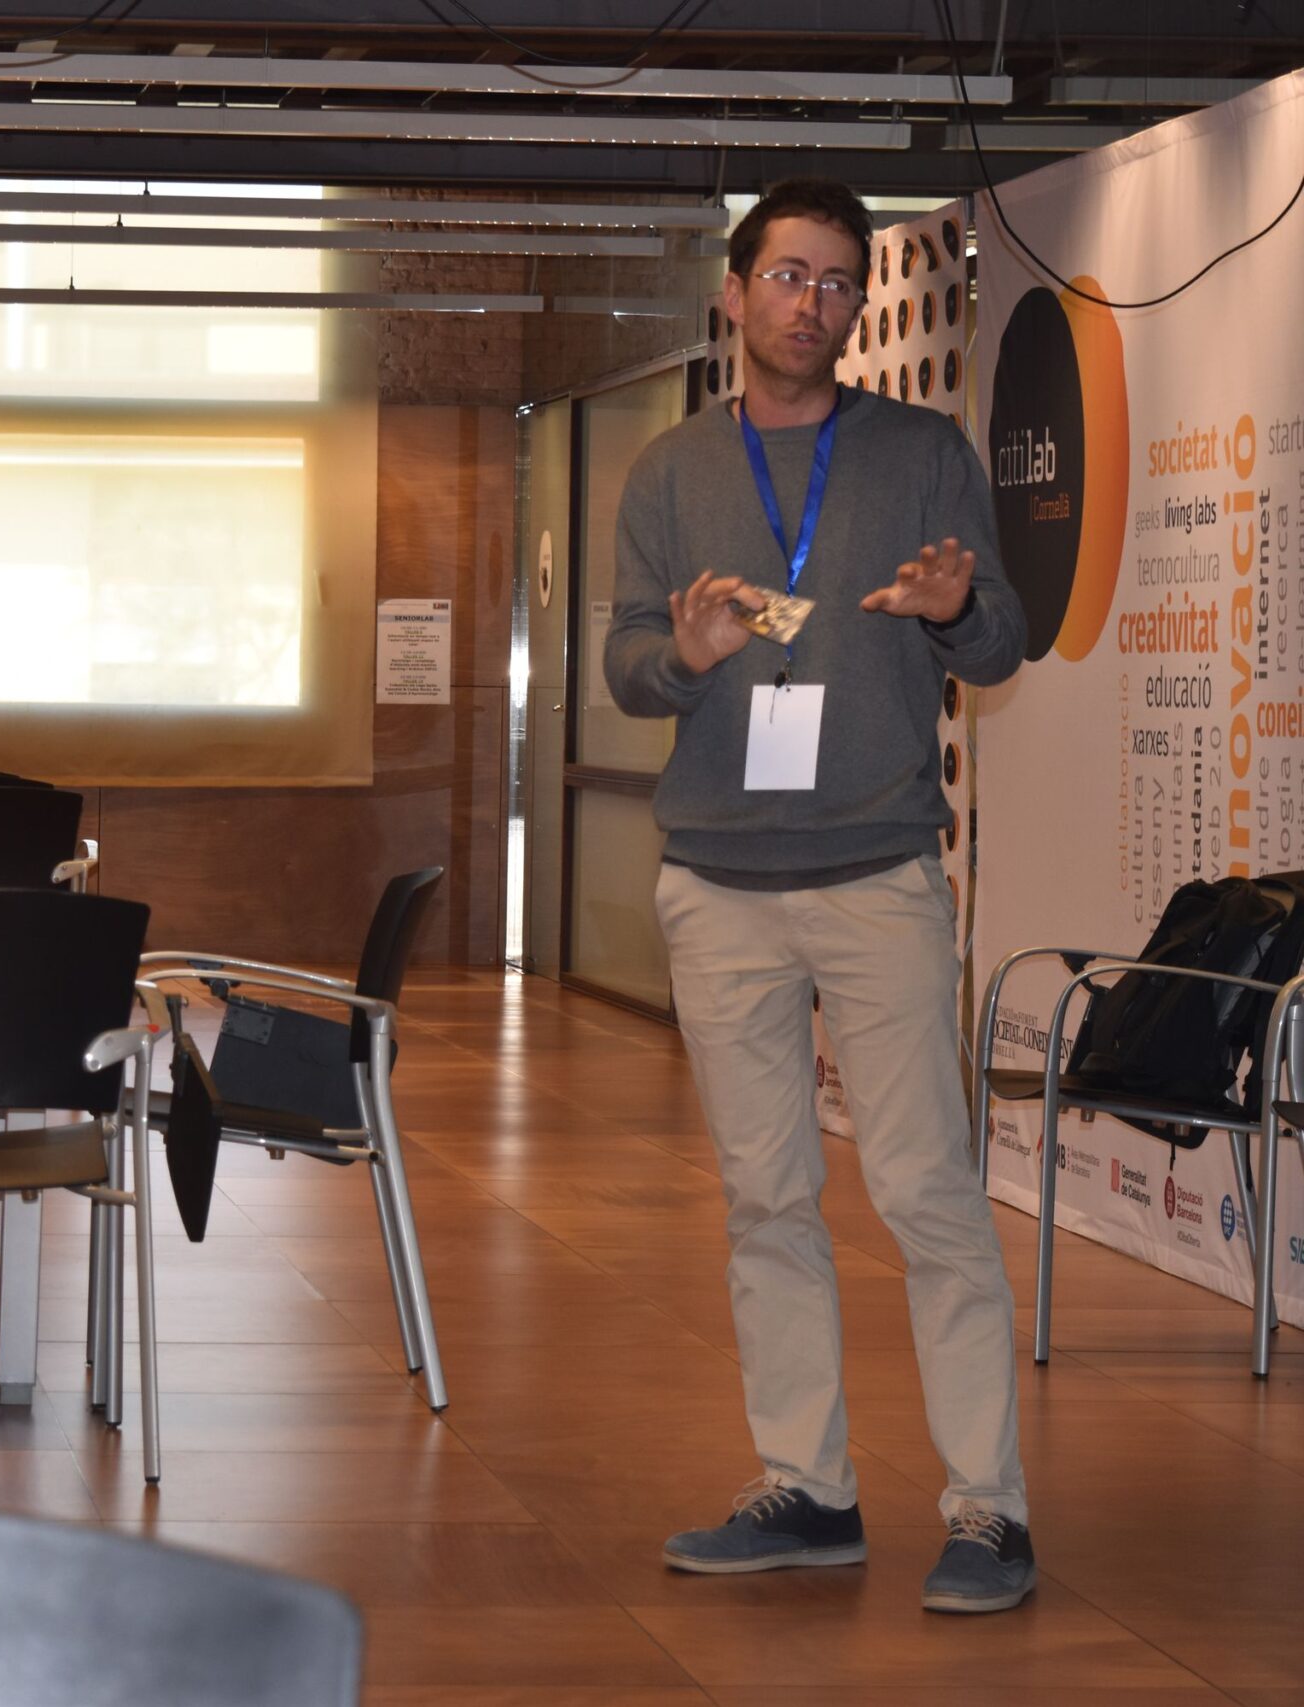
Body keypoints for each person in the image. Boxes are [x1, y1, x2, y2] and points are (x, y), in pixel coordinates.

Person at [603, 178, 1036, 1614]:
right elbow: (623, 661)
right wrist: (685, 655)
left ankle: (989, 1511)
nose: (816, 303)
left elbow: (1002, 642)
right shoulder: (670, 471)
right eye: (789, 275)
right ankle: (808, 1488)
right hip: (717, 883)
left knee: (926, 1192)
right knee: (766, 1199)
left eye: (841, 281)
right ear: (734, 294)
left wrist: (953, 611)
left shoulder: (920, 453)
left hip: (876, 870)